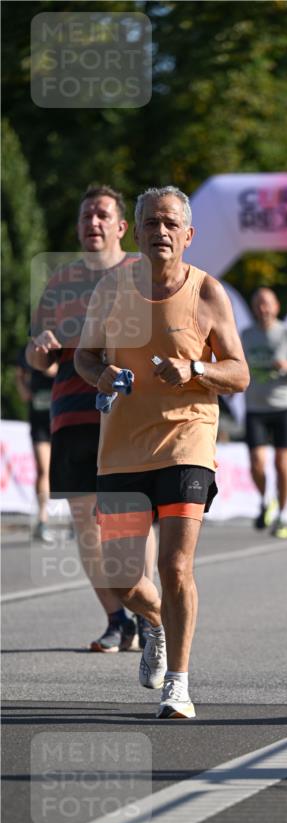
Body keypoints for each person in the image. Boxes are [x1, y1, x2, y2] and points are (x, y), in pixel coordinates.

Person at [75, 185, 249, 719]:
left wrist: (196, 369)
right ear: (139, 230)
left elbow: (239, 374)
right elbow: (84, 358)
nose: (160, 232)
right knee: (125, 578)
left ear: (189, 235)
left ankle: (180, 683)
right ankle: (152, 625)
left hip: (186, 440)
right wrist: (101, 372)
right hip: (123, 448)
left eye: (171, 224)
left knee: (175, 567)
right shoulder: (111, 288)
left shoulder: (207, 294)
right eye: (151, 222)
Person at [26, 185, 156, 651]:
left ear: (122, 227)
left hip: (126, 415)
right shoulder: (61, 283)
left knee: (127, 521)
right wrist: (39, 349)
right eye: (85, 217)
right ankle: (116, 618)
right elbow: (41, 360)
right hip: (72, 416)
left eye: (102, 215)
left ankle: (147, 615)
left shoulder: (142, 274)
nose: (92, 223)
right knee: (86, 524)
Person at [241, 287, 287, 540]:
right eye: (258, 303)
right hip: (255, 408)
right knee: (257, 463)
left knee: (282, 464)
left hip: (284, 406)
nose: (263, 308)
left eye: (267, 303)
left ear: (276, 306)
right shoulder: (246, 335)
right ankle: (265, 499)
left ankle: (282, 514)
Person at [15, 346, 57, 541]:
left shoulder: (64, 345)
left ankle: (78, 521)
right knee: (44, 469)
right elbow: (19, 375)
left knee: (71, 469)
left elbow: (58, 369)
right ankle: (42, 520)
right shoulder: (28, 349)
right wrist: (23, 389)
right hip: (40, 420)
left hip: (62, 419)